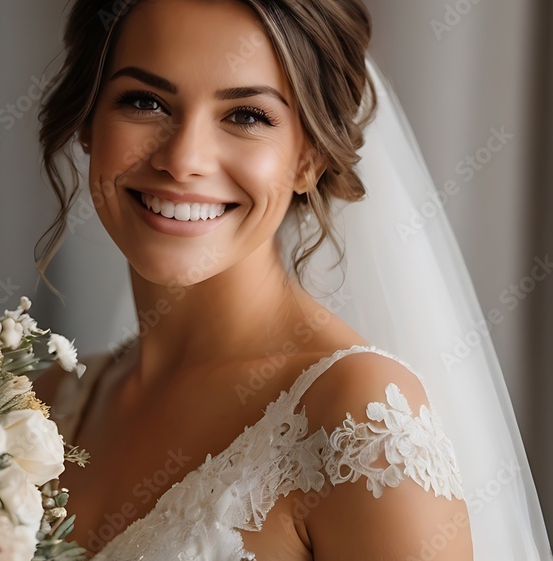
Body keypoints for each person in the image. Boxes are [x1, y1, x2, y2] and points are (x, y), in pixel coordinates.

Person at [32, 0, 553, 559]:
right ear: (88, 123)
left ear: (308, 157)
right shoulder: (41, 407)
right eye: (145, 101)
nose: (183, 160)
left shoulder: (358, 424)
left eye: (247, 115)